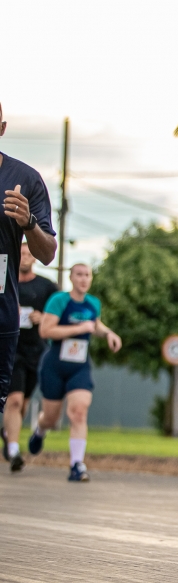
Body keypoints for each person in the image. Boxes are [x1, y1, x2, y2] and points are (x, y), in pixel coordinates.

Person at [27, 263, 122, 482]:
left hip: (79, 364)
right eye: (79, 275)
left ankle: (77, 465)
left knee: (79, 411)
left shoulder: (93, 303)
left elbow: (95, 325)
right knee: (51, 418)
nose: (83, 279)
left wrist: (108, 333)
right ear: (71, 278)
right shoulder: (59, 300)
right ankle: (40, 430)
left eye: (87, 275)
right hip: (55, 363)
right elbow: (45, 330)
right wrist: (79, 329)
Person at [0, 102, 59, 439]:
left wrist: (29, 222)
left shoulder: (24, 179)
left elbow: (48, 253)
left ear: (2, 129)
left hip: (2, 315)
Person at [4, 243, 58, 472]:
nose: (25, 257)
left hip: (36, 351)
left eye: (28, 254)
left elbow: (59, 314)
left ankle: (8, 433)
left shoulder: (47, 287)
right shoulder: (6, 283)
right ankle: (13, 451)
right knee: (14, 400)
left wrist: (43, 317)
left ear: (35, 258)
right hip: (11, 349)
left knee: (23, 403)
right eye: (21, 253)